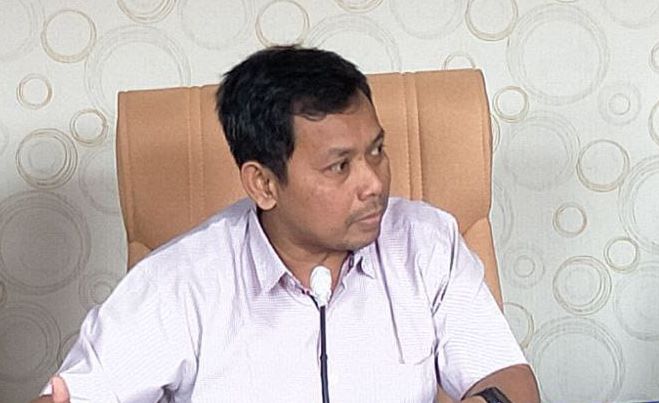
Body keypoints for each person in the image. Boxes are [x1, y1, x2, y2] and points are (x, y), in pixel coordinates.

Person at [34, 46, 539, 403]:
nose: (373, 183)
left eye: (377, 150)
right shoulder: (182, 281)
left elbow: (506, 377)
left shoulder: (426, 244)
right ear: (263, 184)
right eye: (339, 166)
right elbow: (83, 391)